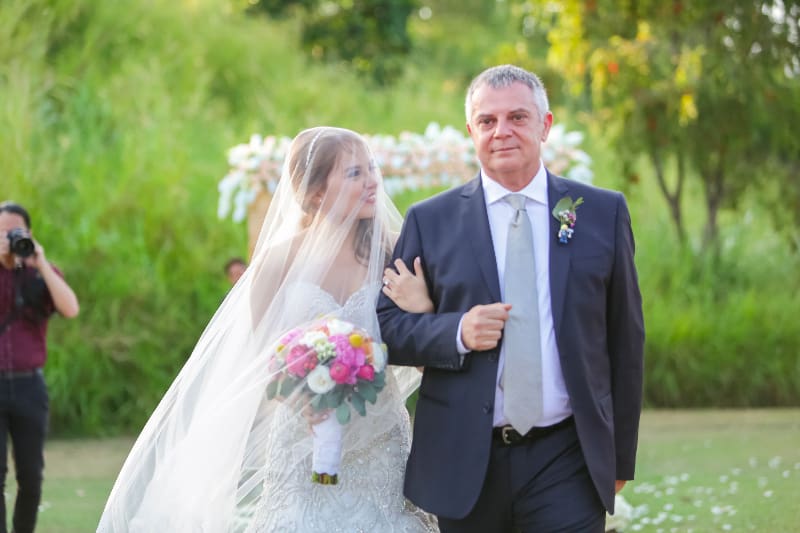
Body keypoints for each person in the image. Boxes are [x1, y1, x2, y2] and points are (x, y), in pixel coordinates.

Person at [98, 127, 437, 532]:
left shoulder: (395, 251)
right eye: (354, 173)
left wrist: (425, 307)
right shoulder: (278, 262)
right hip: (301, 439)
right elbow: (260, 361)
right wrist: (302, 392)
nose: (372, 182)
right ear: (315, 193)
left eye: (372, 169)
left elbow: (425, 350)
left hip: (379, 442)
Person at [377, 64, 645, 532]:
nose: (502, 131)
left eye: (518, 117)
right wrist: (457, 331)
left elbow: (626, 338)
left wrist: (620, 456)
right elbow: (387, 330)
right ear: (471, 131)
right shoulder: (430, 221)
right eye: (487, 121)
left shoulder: (602, 213)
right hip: (464, 460)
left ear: (545, 125)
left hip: (567, 456)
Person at [0, 201, 79, 533]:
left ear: (28, 232)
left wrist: (41, 263)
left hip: (29, 387)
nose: (9, 237)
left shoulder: (40, 272)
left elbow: (70, 308)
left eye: (14, 230)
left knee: (31, 477)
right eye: (2, 231)